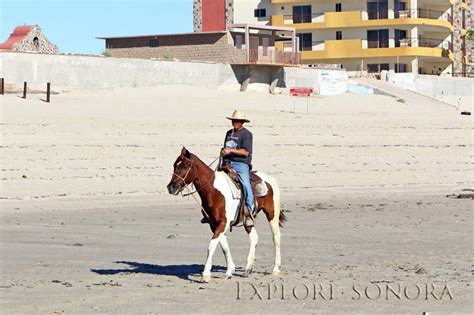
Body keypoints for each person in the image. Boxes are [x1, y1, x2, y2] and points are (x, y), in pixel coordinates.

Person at [221, 110, 254, 227]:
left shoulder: (246, 134)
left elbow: (245, 152)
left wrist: (230, 150)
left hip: (241, 164)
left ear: (242, 122)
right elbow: (226, 147)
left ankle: (249, 212)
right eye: (233, 120)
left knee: (245, 184)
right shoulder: (229, 133)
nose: (235, 122)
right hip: (227, 163)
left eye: (237, 121)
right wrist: (224, 151)